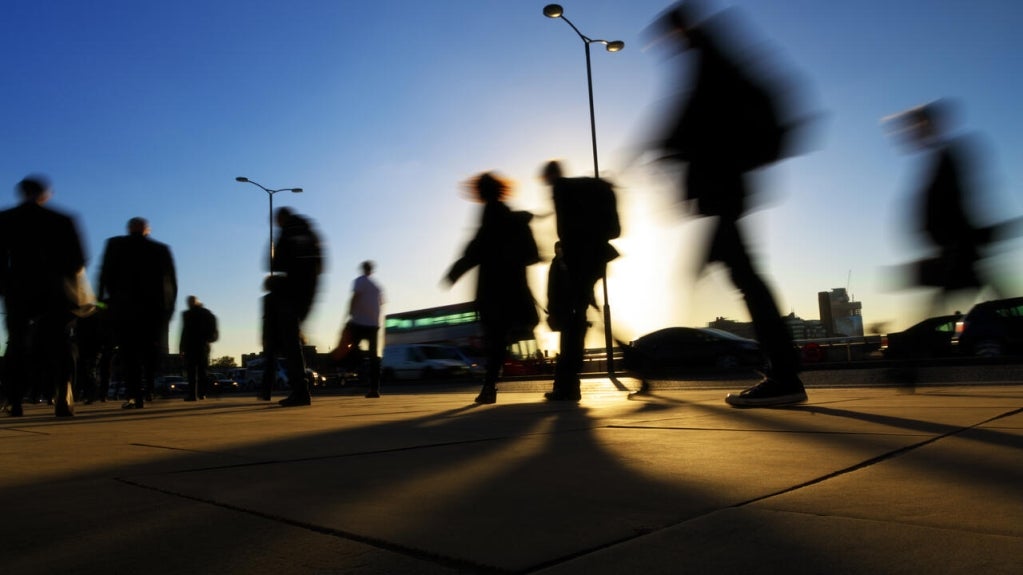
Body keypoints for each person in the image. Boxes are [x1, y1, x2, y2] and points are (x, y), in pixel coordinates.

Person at [649, 3, 806, 407]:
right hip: (727, 187)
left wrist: (665, 147)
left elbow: (697, 117)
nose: (667, 44)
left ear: (680, 30)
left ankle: (784, 375)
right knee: (740, 273)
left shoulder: (710, 60)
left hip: (723, 186)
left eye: (669, 35)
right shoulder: (716, 56)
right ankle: (783, 371)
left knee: (741, 276)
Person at [445, 172, 540, 404]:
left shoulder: (491, 213)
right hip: (514, 285)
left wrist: (455, 272)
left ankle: (489, 387)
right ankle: (490, 386)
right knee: (502, 337)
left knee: (495, 338)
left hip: (493, 288)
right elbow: (532, 256)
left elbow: (476, 248)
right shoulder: (513, 217)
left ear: (482, 191)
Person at [0, 176, 86, 417]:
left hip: (19, 290)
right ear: (45, 194)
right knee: (61, 342)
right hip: (56, 292)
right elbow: (78, 260)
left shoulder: (6, 219)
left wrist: (6, 286)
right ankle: (63, 390)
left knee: (16, 343)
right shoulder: (63, 220)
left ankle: (14, 399)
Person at [541, 161, 620, 402]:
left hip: (581, 262)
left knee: (572, 326)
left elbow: (566, 233)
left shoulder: (562, 189)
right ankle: (567, 384)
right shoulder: (588, 189)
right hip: (595, 259)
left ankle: (567, 386)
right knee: (575, 321)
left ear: (550, 176)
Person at [98, 217, 177, 409]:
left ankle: (134, 395)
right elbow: (171, 284)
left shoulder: (115, 245)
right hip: (152, 310)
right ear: (147, 229)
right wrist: (168, 310)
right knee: (149, 351)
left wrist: (102, 304)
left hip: (124, 309)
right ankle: (148, 389)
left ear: (129, 228)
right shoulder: (160, 249)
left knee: (129, 353)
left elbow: (104, 275)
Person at [268, 207, 323, 407]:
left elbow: (276, 263)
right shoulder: (309, 230)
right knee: (293, 338)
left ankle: (301, 391)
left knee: (289, 341)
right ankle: (301, 389)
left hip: (292, 291)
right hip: (311, 289)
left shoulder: (287, 231)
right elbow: (322, 262)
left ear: (281, 218)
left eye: (276, 220)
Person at [344, 260, 384, 398]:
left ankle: (360, 368)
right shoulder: (377, 286)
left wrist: (349, 312)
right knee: (374, 357)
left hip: (360, 322)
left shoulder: (359, 281)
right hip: (374, 324)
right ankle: (374, 389)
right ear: (371, 270)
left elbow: (355, 297)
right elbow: (381, 302)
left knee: (352, 348)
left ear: (362, 269)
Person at [179, 295, 218, 401]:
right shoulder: (203, 313)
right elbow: (184, 332)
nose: (189, 303)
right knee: (199, 371)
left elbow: (184, 332)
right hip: (200, 346)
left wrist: (182, 347)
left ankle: (196, 394)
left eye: (191, 301)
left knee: (196, 371)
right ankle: (199, 394)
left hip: (197, 346)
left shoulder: (195, 314)